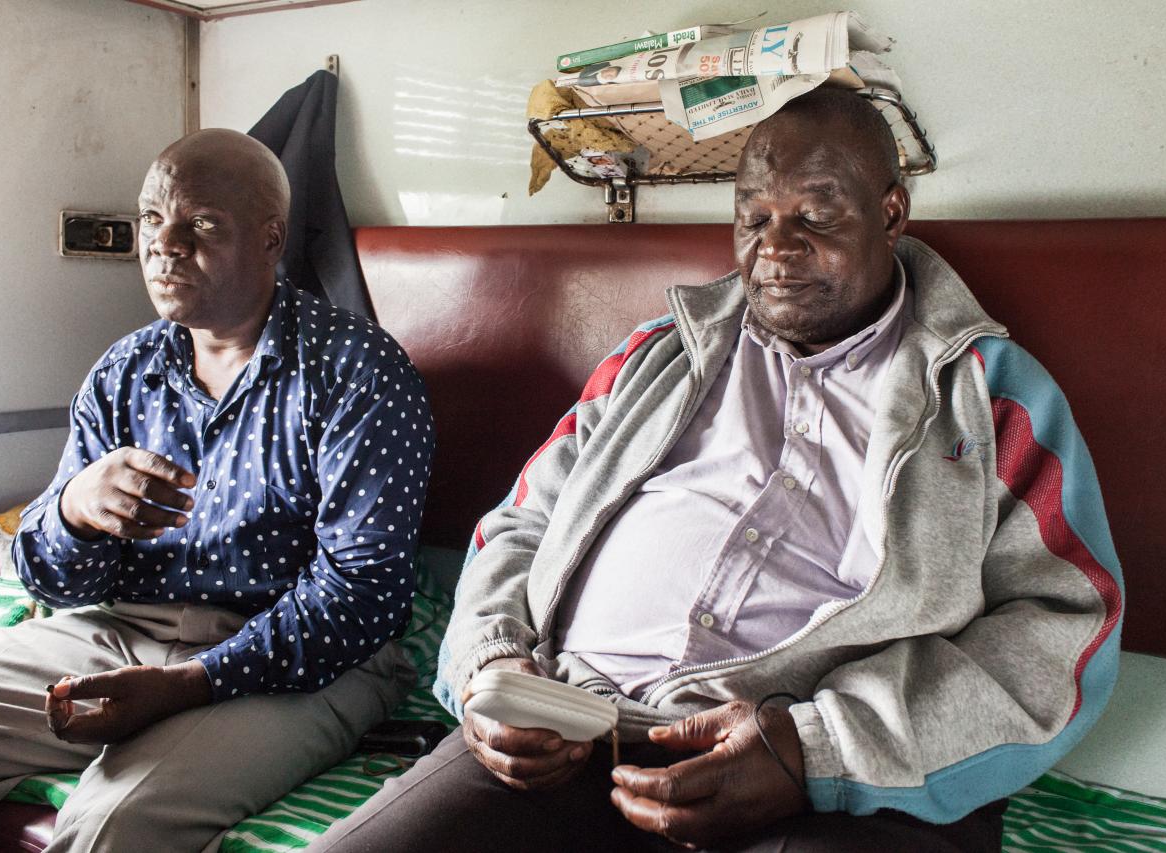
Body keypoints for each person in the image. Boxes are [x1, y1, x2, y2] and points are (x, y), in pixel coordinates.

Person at [307, 88, 1123, 852]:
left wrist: (815, 749)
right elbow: (521, 522)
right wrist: (490, 666)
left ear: (891, 213)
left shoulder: (990, 396)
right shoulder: (657, 356)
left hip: (823, 772)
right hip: (569, 727)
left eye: (814, 213)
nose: (775, 246)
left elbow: (1065, 622)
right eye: (753, 215)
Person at [0, 129, 435, 852]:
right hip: (124, 629)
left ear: (270, 239)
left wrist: (191, 682)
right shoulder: (124, 371)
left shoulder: (357, 371)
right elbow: (49, 577)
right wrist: (74, 513)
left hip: (299, 661)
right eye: (152, 218)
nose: (165, 243)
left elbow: (364, 594)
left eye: (203, 224)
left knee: (113, 826)